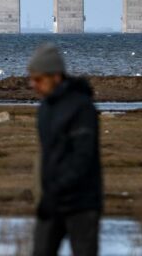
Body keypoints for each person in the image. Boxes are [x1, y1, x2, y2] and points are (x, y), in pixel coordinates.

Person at [28, 43, 103, 256]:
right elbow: (46, 156)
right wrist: (42, 194)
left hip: (82, 203)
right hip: (51, 202)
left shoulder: (81, 107)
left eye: (39, 79)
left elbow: (82, 157)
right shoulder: (45, 109)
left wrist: (56, 190)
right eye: (32, 78)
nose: (33, 84)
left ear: (56, 76)